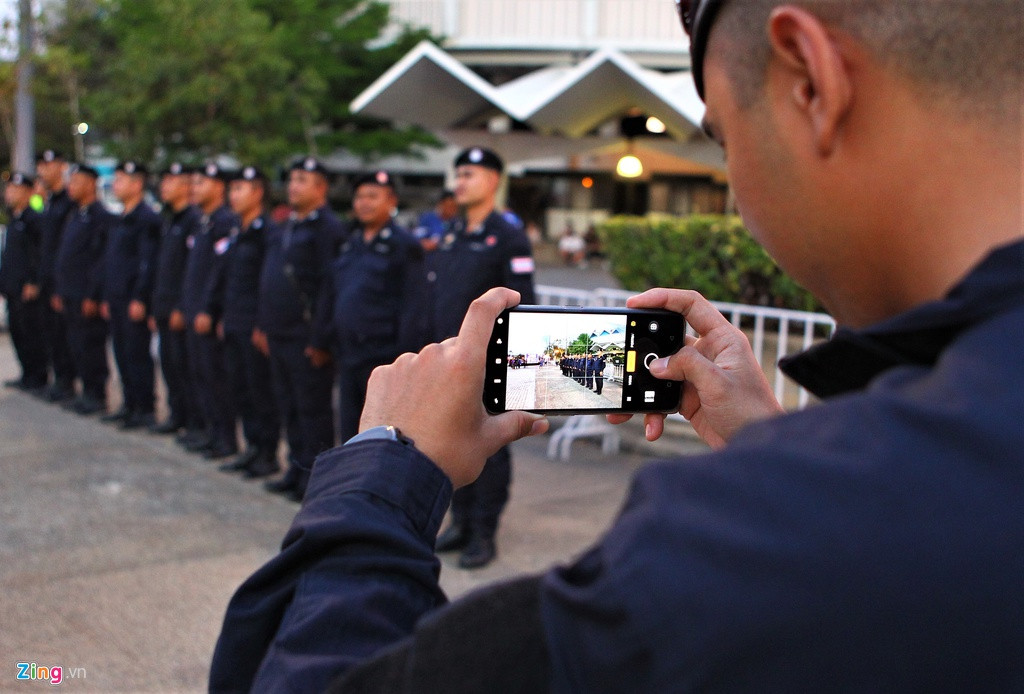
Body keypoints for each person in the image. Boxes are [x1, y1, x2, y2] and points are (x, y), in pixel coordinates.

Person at [211, 1, 1023, 691]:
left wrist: (383, 471)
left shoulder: (760, 542)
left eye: (724, 137)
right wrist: (781, 441)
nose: (737, 188)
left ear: (811, 80)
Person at [420, 146, 536, 569]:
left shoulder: (508, 236)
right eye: (458, 174)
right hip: (450, 360)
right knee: (451, 441)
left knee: (489, 447)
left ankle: (483, 533)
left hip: (490, 362)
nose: (460, 182)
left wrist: (511, 362)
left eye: (469, 174)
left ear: (492, 181)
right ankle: (460, 521)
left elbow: (524, 304)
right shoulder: (451, 232)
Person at [256, 157, 344, 502]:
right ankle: (296, 468)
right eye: (292, 179)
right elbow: (270, 278)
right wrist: (263, 324)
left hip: (307, 339)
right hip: (279, 333)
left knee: (314, 411)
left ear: (321, 188)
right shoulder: (287, 225)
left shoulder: (329, 230)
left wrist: (321, 338)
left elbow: (330, 287)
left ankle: (317, 478)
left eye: (302, 180)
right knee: (289, 405)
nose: (293, 186)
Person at [324, 170, 426, 442]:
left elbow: (414, 306)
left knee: (380, 434)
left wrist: (405, 359)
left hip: (382, 357)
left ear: (391, 200)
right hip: (348, 353)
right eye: (359, 197)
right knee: (348, 430)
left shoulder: (404, 246)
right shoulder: (349, 241)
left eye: (373, 196)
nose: (364, 203)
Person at [214, 166, 281, 479]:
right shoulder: (236, 230)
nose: (233, 195)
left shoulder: (267, 232)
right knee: (239, 388)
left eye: (240, 189)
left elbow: (267, 283)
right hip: (234, 320)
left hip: (254, 324)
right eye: (233, 189)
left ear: (257, 193)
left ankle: (267, 453)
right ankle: (252, 447)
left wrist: (263, 324)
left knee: (260, 390)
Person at [180, 163, 238, 459]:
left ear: (218, 187)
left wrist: (209, 309)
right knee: (200, 375)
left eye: (201, 183)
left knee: (216, 379)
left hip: (208, 314)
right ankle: (212, 433)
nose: (194, 188)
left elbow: (219, 272)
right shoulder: (203, 223)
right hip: (193, 312)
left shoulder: (225, 222)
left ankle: (226, 438)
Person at [100, 161, 161, 429]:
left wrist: (140, 297)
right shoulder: (121, 217)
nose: (115, 184)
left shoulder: (146, 218)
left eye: (121, 179)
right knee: (122, 353)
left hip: (132, 298)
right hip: (115, 296)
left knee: (137, 354)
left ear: (137, 184)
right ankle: (130, 404)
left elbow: (147, 262)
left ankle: (144, 407)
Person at [52, 164, 113, 416]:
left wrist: (93, 294)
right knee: (75, 344)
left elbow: (100, 259)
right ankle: (85, 391)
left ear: (90, 184)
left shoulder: (100, 216)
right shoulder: (76, 214)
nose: (71, 187)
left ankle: (96, 393)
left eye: (76, 181)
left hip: (85, 293)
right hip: (69, 291)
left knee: (90, 345)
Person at [148, 162, 201, 436]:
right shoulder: (170, 219)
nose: (164, 186)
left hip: (181, 309)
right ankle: (177, 415)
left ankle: (194, 421)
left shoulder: (193, 220)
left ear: (186, 185)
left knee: (185, 367)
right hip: (163, 305)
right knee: (169, 365)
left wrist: (182, 306)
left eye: (171, 180)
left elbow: (189, 271)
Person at [34, 149, 78, 403]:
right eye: (40, 165)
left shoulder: (69, 202)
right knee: (51, 333)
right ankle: (60, 379)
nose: (43, 170)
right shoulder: (48, 201)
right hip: (48, 277)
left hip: (64, 280)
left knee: (65, 336)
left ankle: (69, 382)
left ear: (61, 167)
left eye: (48, 165)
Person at [0, 172, 47, 391]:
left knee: (32, 333)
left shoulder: (33, 219)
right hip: (12, 287)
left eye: (15, 190)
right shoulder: (14, 219)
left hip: (26, 289)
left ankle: (37, 376)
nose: (10, 194)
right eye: (9, 189)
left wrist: (33, 281)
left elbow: (38, 255)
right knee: (18, 332)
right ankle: (27, 374)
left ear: (29, 192)